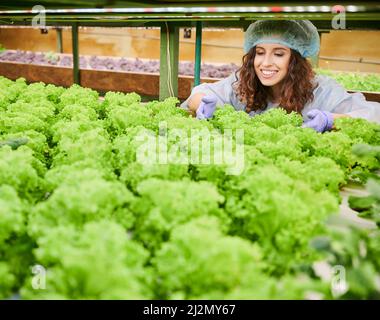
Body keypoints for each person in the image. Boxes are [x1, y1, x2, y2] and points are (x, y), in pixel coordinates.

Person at [180, 20, 380, 132]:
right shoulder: (244, 82)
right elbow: (201, 93)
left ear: (295, 59)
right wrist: (204, 104)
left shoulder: (321, 90)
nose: (265, 63)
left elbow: (372, 115)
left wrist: (331, 120)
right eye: (259, 52)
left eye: (278, 54)